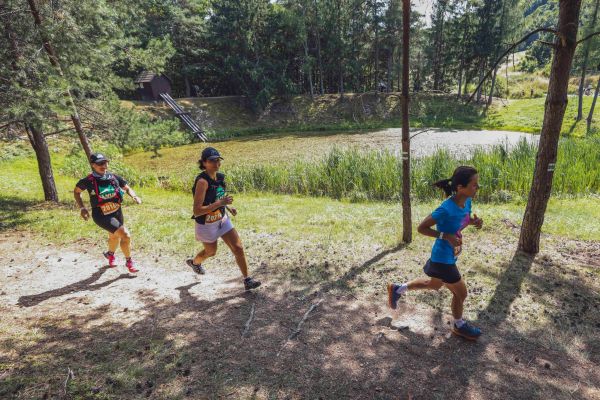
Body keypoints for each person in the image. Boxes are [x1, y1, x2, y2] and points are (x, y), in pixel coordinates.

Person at [387, 166, 484, 340]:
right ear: (460, 187)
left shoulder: (467, 201)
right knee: (461, 293)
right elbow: (422, 228)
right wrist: (444, 235)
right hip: (443, 259)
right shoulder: (446, 208)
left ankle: (397, 289)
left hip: (449, 256)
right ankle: (459, 325)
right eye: (474, 184)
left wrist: (473, 221)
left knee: (434, 284)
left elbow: (463, 218)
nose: (478, 187)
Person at [186, 147, 261, 291]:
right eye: (212, 160)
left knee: (238, 248)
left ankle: (247, 280)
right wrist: (220, 203)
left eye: (218, 160)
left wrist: (227, 207)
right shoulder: (202, 182)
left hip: (222, 219)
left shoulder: (219, 177)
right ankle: (195, 263)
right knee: (211, 252)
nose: (216, 163)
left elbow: (218, 197)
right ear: (204, 162)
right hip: (206, 224)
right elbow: (197, 210)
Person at [74, 153, 142, 273]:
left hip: (117, 212)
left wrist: (134, 196)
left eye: (105, 162)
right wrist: (82, 208)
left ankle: (110, 254)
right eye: (100, 163)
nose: (104, 166)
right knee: (125, 235)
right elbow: (76, 192)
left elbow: (127, 188)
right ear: (93, 165)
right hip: (101, 215)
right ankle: (129, 262)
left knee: (114, 236)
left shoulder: (113, 177)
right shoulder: (88, 180)